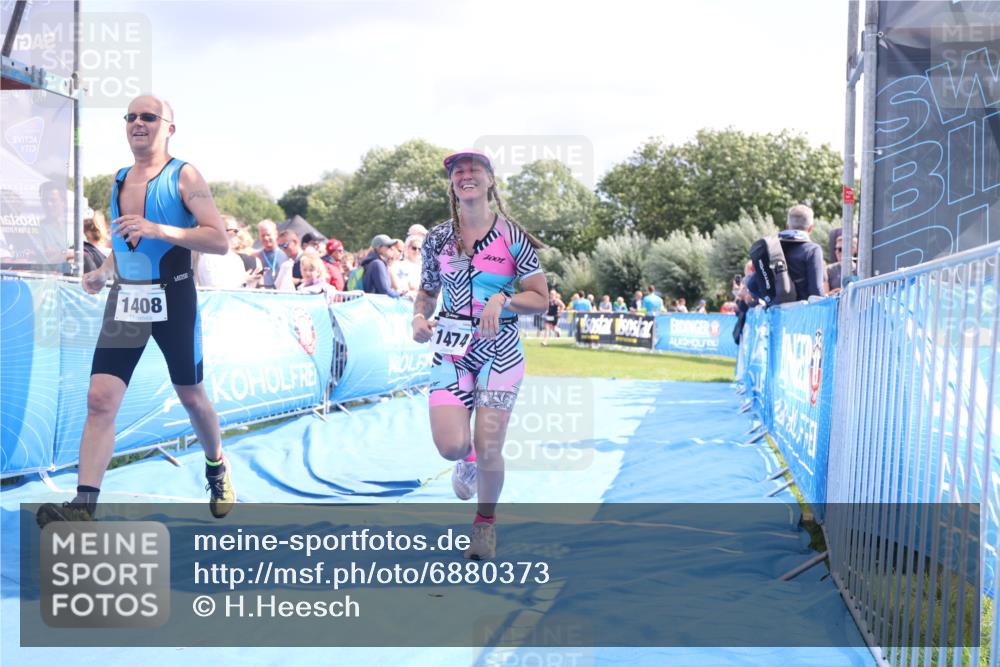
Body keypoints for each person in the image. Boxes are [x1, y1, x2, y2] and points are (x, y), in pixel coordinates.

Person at [36, 94, 235, 526]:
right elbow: (127, 240)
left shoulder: (185, 175)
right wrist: (104, 271)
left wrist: (160, 229)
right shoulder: (120, 178)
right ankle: (83, 507)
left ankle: (216, 465)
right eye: (131, 117)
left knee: (191, 396)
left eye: (149, 116)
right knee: (99, 399)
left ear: (169, 128)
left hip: (174, 298)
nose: (138, 123)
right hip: (126, 298)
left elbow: (219, 240)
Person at [412, 150, 547, 560]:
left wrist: (503, 299)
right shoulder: (437, 239)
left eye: (474, 170)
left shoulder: (512, 237)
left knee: (490, 445)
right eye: (458, 171)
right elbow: (427, 292)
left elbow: (540, 298)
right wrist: (418, 317)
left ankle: (484, 524)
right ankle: (465, 458)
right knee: (451, 446)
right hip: (452, 352)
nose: (465, 175)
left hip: (499, 351)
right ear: (452, 183)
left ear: (490, 180)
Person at [750, 204, 826, 300]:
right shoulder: (812, 250)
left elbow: (751, 284)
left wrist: (769, 301)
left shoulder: (773, 248)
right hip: (804, 308)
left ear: (787, 226)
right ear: (810, 228)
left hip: (777, 307)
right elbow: (816, 290)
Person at [195, 214, 247, 288]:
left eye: (238, 231)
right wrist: (241, 284)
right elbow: (215, 289)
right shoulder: (209, 257)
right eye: (235, 231)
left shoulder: (236, 258)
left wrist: (249, 282)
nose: (237, 234)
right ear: (222, 232)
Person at [255, 219, 286, 289]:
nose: (266, 238)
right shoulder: (257, 256)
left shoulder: (285, 255)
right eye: (263, 235)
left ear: (275, 234)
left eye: (268, 235)